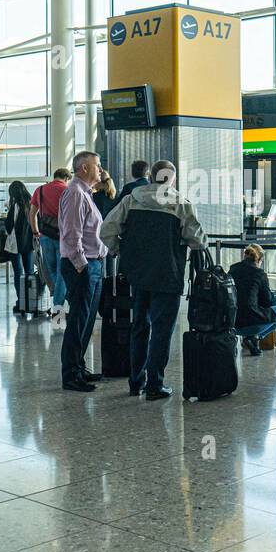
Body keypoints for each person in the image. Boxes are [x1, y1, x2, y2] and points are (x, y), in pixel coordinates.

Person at [100, 159, 205, 399]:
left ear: (151, 177)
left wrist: (121, 250)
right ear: (171, 179)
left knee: (139, 326)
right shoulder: (181, 204)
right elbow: (197, 240)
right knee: (161, 330)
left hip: (137, 275)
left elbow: (106, 230)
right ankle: (155, 384)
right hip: (168, 275)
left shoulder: (131, 200)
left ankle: (136, 381)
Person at [58, 152, 108, 392]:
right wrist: (82, 266)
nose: (100, 170)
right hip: (83, 265)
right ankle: (70, 374)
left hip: (93, 263)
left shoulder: (86, 194)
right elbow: (71, 234)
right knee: (78, 320)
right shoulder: (75, 193)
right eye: (97, 166)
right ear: (84, 167)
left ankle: (79, 367)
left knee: (87, 319)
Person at [229, 244, 276, 356]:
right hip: (252, 323)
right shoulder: (260, 273)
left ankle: (251, 338)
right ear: (260, 259)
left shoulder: (232, 269)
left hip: (233, 323)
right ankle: (255, 337)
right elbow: (267, 302)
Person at [30, 168, 71, 311]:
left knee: (51, 270)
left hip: (45, 235)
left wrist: (35, 232)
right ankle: (58, 306)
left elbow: (32, 214)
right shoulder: (67, 190)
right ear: (66, 178)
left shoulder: (40, 190)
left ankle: (58, 299)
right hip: (63, 236)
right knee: (62, 272)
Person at [0, 180, 36, 313]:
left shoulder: (15, 206)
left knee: (18, 274)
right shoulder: (31, 203)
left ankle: (21, 302)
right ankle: (31, 302)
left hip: (16, 244)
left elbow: (10, 226)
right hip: (29, 244)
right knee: (30, 273)